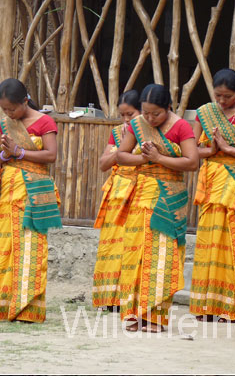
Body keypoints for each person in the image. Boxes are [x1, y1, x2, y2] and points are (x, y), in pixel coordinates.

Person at [116, 84, 199, 333]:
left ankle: (154, 316)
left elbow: (192, 162)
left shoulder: (182, 126)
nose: (150, 119)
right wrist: (144, 159)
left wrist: (159, 159)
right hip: (142, 194)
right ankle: (133, 314)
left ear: (169, 108)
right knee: (136, 254)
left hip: (169, 198)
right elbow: (121, 156)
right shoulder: (138, 124)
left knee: (162, 256)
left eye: (156, 114)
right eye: (146, 113)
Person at [0, 78, 61, 323]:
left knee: (31, 248)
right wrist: (4, 153)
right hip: (8, 189)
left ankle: (28, 309)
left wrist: (20, 152)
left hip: (34, 191)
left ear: (25, 101)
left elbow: (50, 155)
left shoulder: (45, 122)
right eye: (5, 110)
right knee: (5, 248)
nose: (9, 113)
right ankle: (4, 306)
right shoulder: (4, 124)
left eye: (13, 109)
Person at [190, 69, 235, 323]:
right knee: (208, 242)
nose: (221, 101)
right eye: (217, 96)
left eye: (227, 97)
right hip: (211, 181)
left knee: (233, 242)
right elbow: (192, 151)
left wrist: (229, 149)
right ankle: (206, 305)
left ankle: (232, 307)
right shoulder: (204, 113)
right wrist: (212, 150)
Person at [92, 90, 141, 310]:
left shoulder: (152, 133)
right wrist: (122, 146)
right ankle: (107, 298)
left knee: (132, 246)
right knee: (112, 245)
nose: (126, 120)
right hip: (117, 193)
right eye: (122, 115)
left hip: (141, 192)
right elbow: (103, 164)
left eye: (130, 114)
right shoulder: (117, 132)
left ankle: (128, 297)